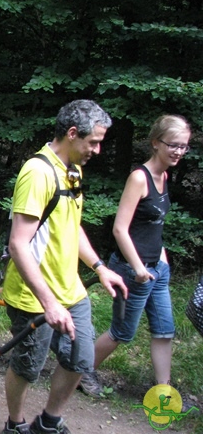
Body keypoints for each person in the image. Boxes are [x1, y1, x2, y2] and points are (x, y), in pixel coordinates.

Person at [1, 100, 128, 434]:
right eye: (94, 142)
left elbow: (70, 226)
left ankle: (48, 422)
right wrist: (49, 302)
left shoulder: (72, 168)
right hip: (34, 296)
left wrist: (99, 267)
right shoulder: (38, 173)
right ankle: (14, 425)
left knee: (80, 360)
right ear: (72, 134)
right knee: (27, 368)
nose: (97, 150)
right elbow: (18, 244)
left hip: (71, 290)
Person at [79, 115, 190, 397]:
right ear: (155, 143)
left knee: (165, 329)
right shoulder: (139, 178)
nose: (178, 151)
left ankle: (163, 393)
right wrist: (139, 268)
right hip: (133, 270)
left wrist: (162, 259)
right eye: (173, 145)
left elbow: (154, 226)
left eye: (183, 146)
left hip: (157, 269)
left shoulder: (164, 176)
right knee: (122, 332)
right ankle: (81, 371)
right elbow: (120, 228)